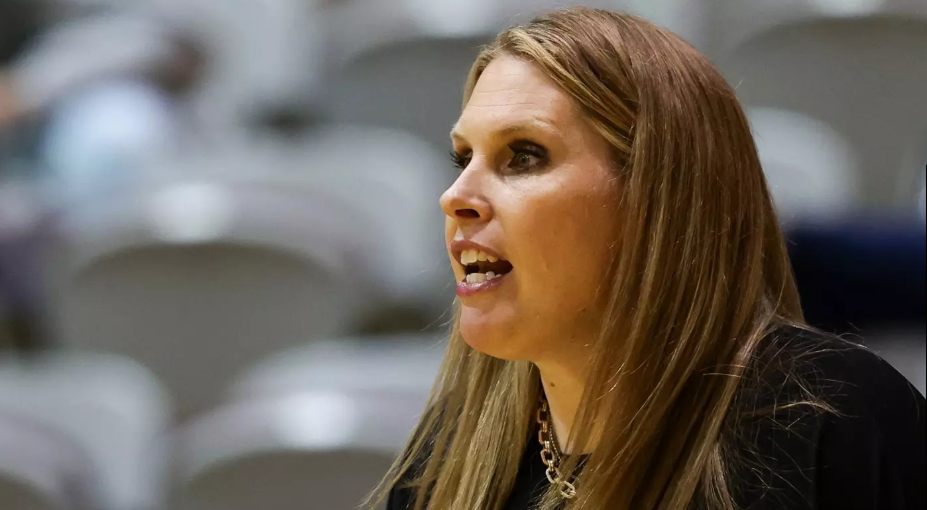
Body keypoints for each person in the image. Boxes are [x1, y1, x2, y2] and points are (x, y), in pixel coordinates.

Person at [370, 8, 926, 510]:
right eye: (462, 157)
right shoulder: (450, 457)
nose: (455, 197)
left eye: (523, 156)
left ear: (656, 198)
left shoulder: (831, 422)